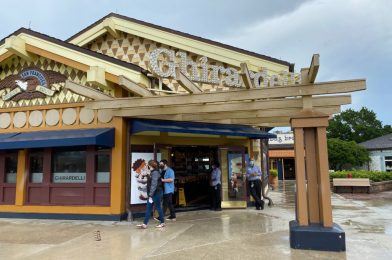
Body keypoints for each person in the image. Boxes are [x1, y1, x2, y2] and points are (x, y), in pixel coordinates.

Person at [136, 160, 165, 229]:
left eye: (147, 165)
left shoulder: (155, 173)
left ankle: (162, 222)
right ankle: (144, 224)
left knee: (158, 208)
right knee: (149, 208)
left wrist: (151, 195)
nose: (146, 166)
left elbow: (154, 185)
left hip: (156, 193)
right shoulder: (153, 172)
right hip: (152, 194)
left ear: (150, 165)